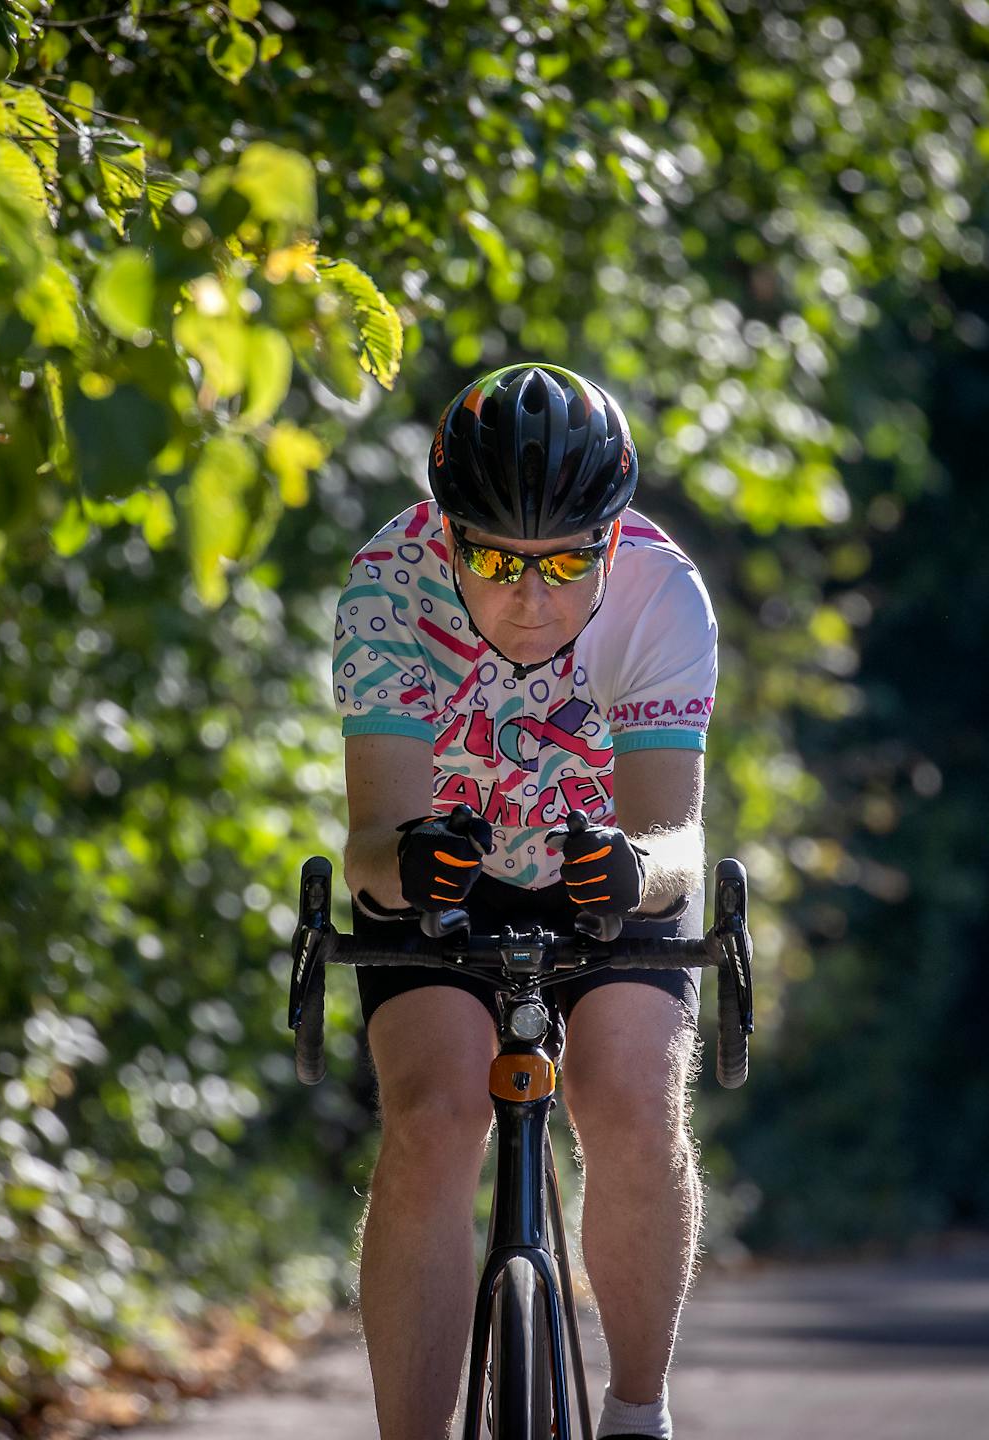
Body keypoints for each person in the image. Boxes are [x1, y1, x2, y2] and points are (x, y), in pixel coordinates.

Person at [333, 362, 719, 1440]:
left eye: (568, 562)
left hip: (611, 868)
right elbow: (369, 845)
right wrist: (407, 863)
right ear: (447, 535)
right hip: (446, 874)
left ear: (613, 538)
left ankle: (636, 1412)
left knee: (630, 1101)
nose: (532, 598)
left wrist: (635, 873)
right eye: (497, 559)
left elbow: (676, 839)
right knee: (432, 1118)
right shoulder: (387, 584)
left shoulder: (662, 593)